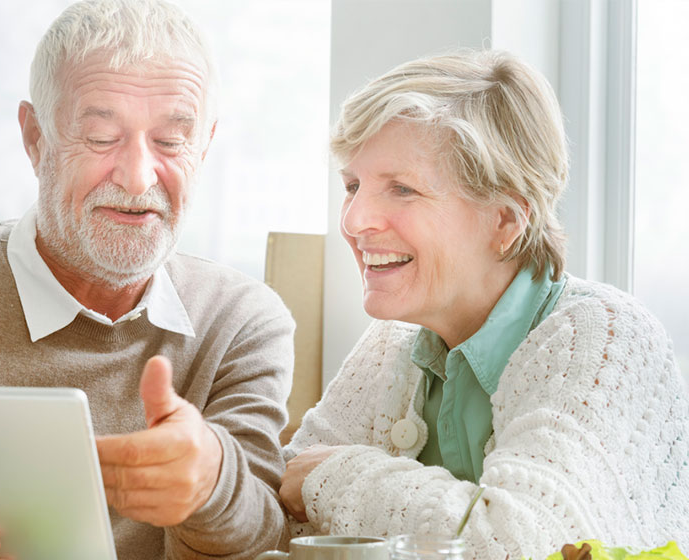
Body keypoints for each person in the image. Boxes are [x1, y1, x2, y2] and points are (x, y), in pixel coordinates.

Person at [0, 1, 295, 558]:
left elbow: (264, 538)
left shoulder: (241, 321)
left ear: (204, 146)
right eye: (101, 137)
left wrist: (212, 483)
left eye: (171, 141)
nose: (138, 179)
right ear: (35, 138)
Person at [279, 49, 689, 559]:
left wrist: (336, 477)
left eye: (402, 189)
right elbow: (281, 504)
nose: (354, 219)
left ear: (505, 221)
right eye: (353, 185)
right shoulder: (393, 343)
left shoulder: (606, 335)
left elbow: (524, 545)